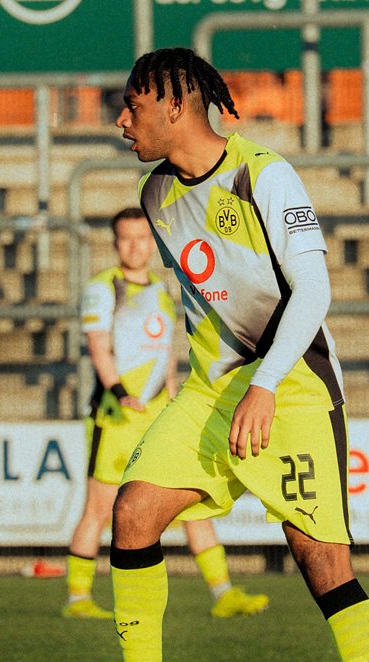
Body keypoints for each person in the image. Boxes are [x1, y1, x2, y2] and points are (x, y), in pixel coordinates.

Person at [66, 47, 369, 662]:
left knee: (322, 563)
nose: (121, 119)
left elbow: (314, 291)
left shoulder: (267, 174)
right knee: (132, 515)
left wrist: (263, 387)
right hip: (210, 391)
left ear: (177, 105)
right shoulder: (156, 196)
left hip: (290, 389)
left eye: (132, 105)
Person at [59, 208, 270, 621]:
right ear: (115, 242)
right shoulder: (104, 288)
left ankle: (223, 592)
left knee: (190, 497)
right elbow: (98, 348)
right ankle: (77, 598)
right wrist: (120, 393)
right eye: (126, 238)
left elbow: (166, 355)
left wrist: (175, 396)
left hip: (158, 415)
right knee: (99, 509)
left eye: (142, 237)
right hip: (115, 416)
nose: (135, 246)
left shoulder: (159, 289)